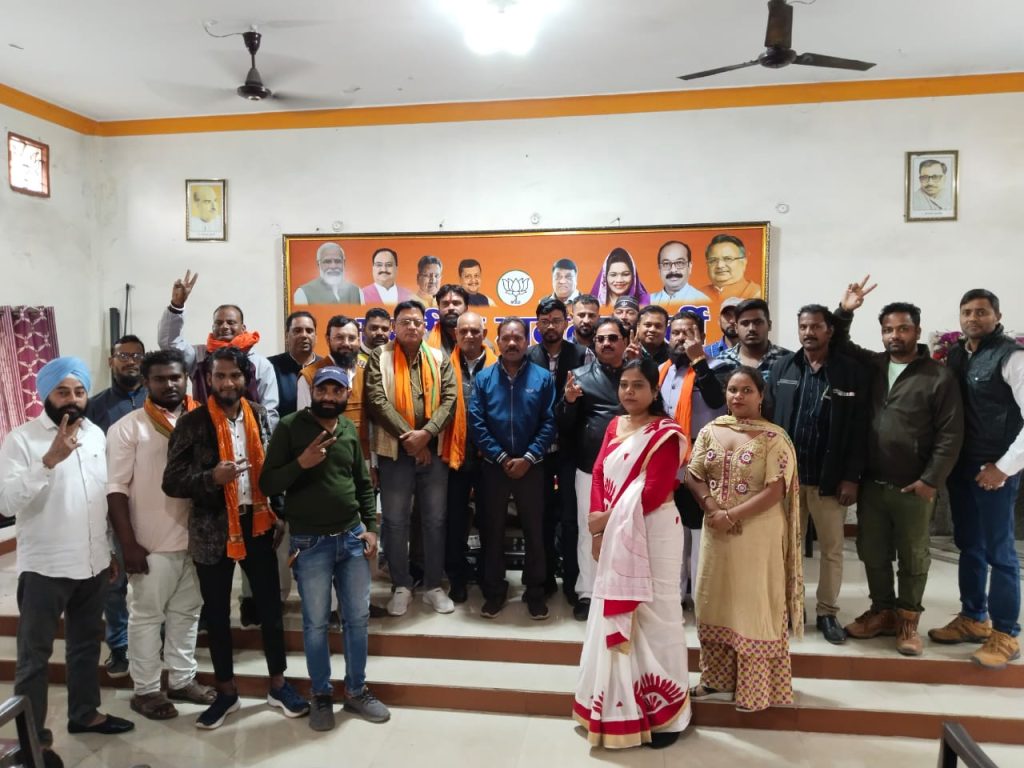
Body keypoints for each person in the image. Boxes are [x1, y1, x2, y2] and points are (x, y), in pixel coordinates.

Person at [162, 347, 307, 729]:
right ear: (209, 379)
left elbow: (271, 468)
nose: (227, 383)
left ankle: (278, 684)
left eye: (234, 376)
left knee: (270, 609)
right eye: (220, 376)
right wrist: (211, 478)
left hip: (257, 525)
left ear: (246, 379)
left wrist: (276, 511)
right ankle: (226, 691)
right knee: (217, 614)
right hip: (214, 530)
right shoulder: (192, 423)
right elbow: (171, 481)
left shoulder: (258, 415)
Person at [0, 357, 134, 767]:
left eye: (79, 391)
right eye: (63, 392)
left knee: (85, 645)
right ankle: (33, 740)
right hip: (45, 567)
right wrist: (48, 460)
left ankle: (85, 714)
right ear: (46, 395)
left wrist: (108, 550)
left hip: (92, 563)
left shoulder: (95, 433)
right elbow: (6, 503)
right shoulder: (22, 440)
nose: (72, 399)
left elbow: (98, 496)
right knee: (34, 658)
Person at [831, 278, 963, 656]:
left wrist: (930, 480)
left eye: (903, 328)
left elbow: (950, 434)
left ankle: (908, 620)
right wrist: (845, 311)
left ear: (917, 332)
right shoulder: (874, 366)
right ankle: (882, 611)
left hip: (913, 487)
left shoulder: (938, 376)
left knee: (913, 556)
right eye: (888, 329)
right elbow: (838, 344)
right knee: (872, 552)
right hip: (873, 483)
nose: (895, 335)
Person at [260, 366, 390, 731]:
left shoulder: (347, 428)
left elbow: (362, 483)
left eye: (337, 391)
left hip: (352, 539)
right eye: (323, 390)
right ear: (313, 391)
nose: (329, 397)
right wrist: (301, 463)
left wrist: (371, 528)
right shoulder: (290, 427)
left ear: (346, 394)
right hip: (310, 543)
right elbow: (267, 482)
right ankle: (320, 694)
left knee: (357, 619)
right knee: (316, 623)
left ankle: (356, 690)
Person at [573, 358, 692, 749]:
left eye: (638, 385)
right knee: (614, 612)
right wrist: (598, 524)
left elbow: (654, 491)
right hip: (615, 529)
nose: (629, 391)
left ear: (654, 391)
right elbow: (598, 473)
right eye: (624, 384)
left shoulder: (666, 434)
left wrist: (604, 521)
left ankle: (666, 716)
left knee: (657, 615)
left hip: (654, 531)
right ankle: (617, 710)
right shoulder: (614, 425)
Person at [106, 349, 217, 720]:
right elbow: (115, 489)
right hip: (151, 542)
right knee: (146, 618)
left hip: (197, 539)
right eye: (159, 378)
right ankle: (146, 690)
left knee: (187, 613)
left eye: (175, 377)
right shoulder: (129, 428)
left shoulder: (204, 420)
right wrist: (128, 544)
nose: (169, 384)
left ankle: (182, 680)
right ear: (146, 382)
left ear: (186, 378)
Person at [686, 366, 803, 713]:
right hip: (716, 531)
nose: (738, 396)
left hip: (757, 534)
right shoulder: (711, 430)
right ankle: (716, 679)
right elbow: (693, 475)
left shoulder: (774, 438)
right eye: (733, 390)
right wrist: (712, 508)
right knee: (713, 599)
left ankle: (755, 689)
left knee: (752, 606)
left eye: (747, 390)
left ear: (761, 395)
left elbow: (776, 490)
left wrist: (731, 515)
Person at [929, 289, 1023, 669]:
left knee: (1000, 552)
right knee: (969, 545)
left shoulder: (1012, 357)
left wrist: (1004, 467)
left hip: (995, 469)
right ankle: (973, 617)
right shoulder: (956, 356)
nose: (973, 318)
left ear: (997, 316)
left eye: (981, 312)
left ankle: (1006, 633)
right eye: (967, 312)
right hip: (962, 467)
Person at [766, 305, 867, 645]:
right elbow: (769, 421)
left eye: (816, 327)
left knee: (832, 549)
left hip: (830, 480)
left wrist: (851, 477)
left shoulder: (849, 372)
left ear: (829, 330)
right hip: (788, 480)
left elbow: (859, 429)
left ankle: (827, 612)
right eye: (803, 327)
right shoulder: (783, 367)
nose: (808, 332)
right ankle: (791, 607)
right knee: (787, 547)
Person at [365, 300, 457, 616]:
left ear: (424, 326)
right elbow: (377, 401)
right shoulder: (380, 357)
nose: (412, 327)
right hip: (395, 453)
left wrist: (426, 435)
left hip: (433, 452)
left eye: (418, 322)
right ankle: (401, 584)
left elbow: (450, 399)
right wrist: (413, 440)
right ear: (395, 326)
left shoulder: (439, 357)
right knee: (394, 521)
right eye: (405, 321)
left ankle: (432, 586)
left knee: (435, 520)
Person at [470, 318, 556, 619]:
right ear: (496, 341)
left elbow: (549, 422)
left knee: (535, 531)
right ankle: (495, 590)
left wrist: (529, 457)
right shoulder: (483, 378)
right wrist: (501, 457)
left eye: (517, 338)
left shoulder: (542, 378)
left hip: (532, 466)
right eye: (505, 338)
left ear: (527, 341)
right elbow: (477, 423)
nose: (511, 343)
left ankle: (535, 592)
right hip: (494, 468)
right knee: (492, 530)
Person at [85, 334, 147, 680]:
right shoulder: (95, 407)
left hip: (156, 504)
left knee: (156, 578)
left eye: (136, 355)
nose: (130, 361)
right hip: (112, 504)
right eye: (123, 355)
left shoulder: (159, 400)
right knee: (115, 580)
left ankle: (156, 639)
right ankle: (120, 645)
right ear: (111, 361)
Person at [557, 317, 628, 621]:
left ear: (625, 341)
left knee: (629, 531)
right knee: (590, 530)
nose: (606, 344)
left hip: (631, 470)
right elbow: (563, 425)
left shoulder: (638, 375)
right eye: (600, 339)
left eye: (612, 338)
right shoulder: (579, 377)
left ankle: (623, 590)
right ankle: (587, 592)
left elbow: (656, 413)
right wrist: (569, 402)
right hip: (590, 469)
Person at [527, 298, 594, 605]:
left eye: (556, 320)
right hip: (538, 451)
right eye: (545, 321)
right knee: (540, 517)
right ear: (537, 324)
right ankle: (542, 580)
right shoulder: (528, 356)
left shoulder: (582, 354)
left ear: (566, 322)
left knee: (570, 519)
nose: (550, 326)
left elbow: (589, 401)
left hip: (571, 450)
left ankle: (572, 582)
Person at [659, 311, 726, 610]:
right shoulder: (662, 371)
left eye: (689, 332)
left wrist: (699, 362)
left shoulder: (717, 367)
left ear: (701, 336)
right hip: (668, 463)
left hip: (702, 464)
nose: (681, 338)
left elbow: (716, 400)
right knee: (674, 531)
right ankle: (674, 597)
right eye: (676, 332)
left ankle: (701, 599)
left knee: (699, 533)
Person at [157, 270, 280, 428]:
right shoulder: (198, 356)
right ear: (213, 327)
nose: (224, 327)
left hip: (248, 436)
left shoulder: (261, 364)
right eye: (219, 323)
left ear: (243, 328)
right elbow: (169, 343)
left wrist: (261, 438)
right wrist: (176, 306)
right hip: (205, 433)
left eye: (231, 322)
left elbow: (269, 412)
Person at [442, 312, 497, 603]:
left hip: (490, 457)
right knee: (454, 522)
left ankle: (489, 577)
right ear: (456, 334)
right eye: (463, 331)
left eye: (475, 331)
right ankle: (457, 578)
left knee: (490, 520)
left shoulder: (499, 364)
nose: (469, 336)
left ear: (484, 334)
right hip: (455, 456)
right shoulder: (443, 365)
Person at [714, 299, 790, 388]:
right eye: (745, 323)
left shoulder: (788, 360)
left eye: (758, 322)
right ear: (736, 328)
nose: (751, 328)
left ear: (769, 325)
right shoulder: (722, 361)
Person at [267, 311, 319, 419]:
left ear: (316, 336)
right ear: (287, 336)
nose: (304, 335)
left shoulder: (325, 367)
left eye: (309, 331)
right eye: (297, 330)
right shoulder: (270, 366)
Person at [293, 242, 363, 305]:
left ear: (344, 263)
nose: (333, 266)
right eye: (327, 262)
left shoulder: (357, 291)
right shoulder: (303, 293)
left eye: (337, 261)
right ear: (318, 264)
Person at [697, 234, 762, 301]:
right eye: (713, 260)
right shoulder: (697, 295)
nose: (720, 265)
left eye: (728, 259)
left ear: (743, 262)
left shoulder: (757, 294)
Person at [649, 240, 710, 305]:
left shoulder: (704, 302)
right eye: (666, 264)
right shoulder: (647, 302)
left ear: (690, 267)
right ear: (659, 269)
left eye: (679, 263)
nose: (673, 270)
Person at [427, 284, 469, 354]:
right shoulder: (424, 342)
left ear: (466, 308)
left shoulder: (480, 342)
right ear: (439, 308)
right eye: (445, 304)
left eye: (456, 303)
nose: (451, 308)